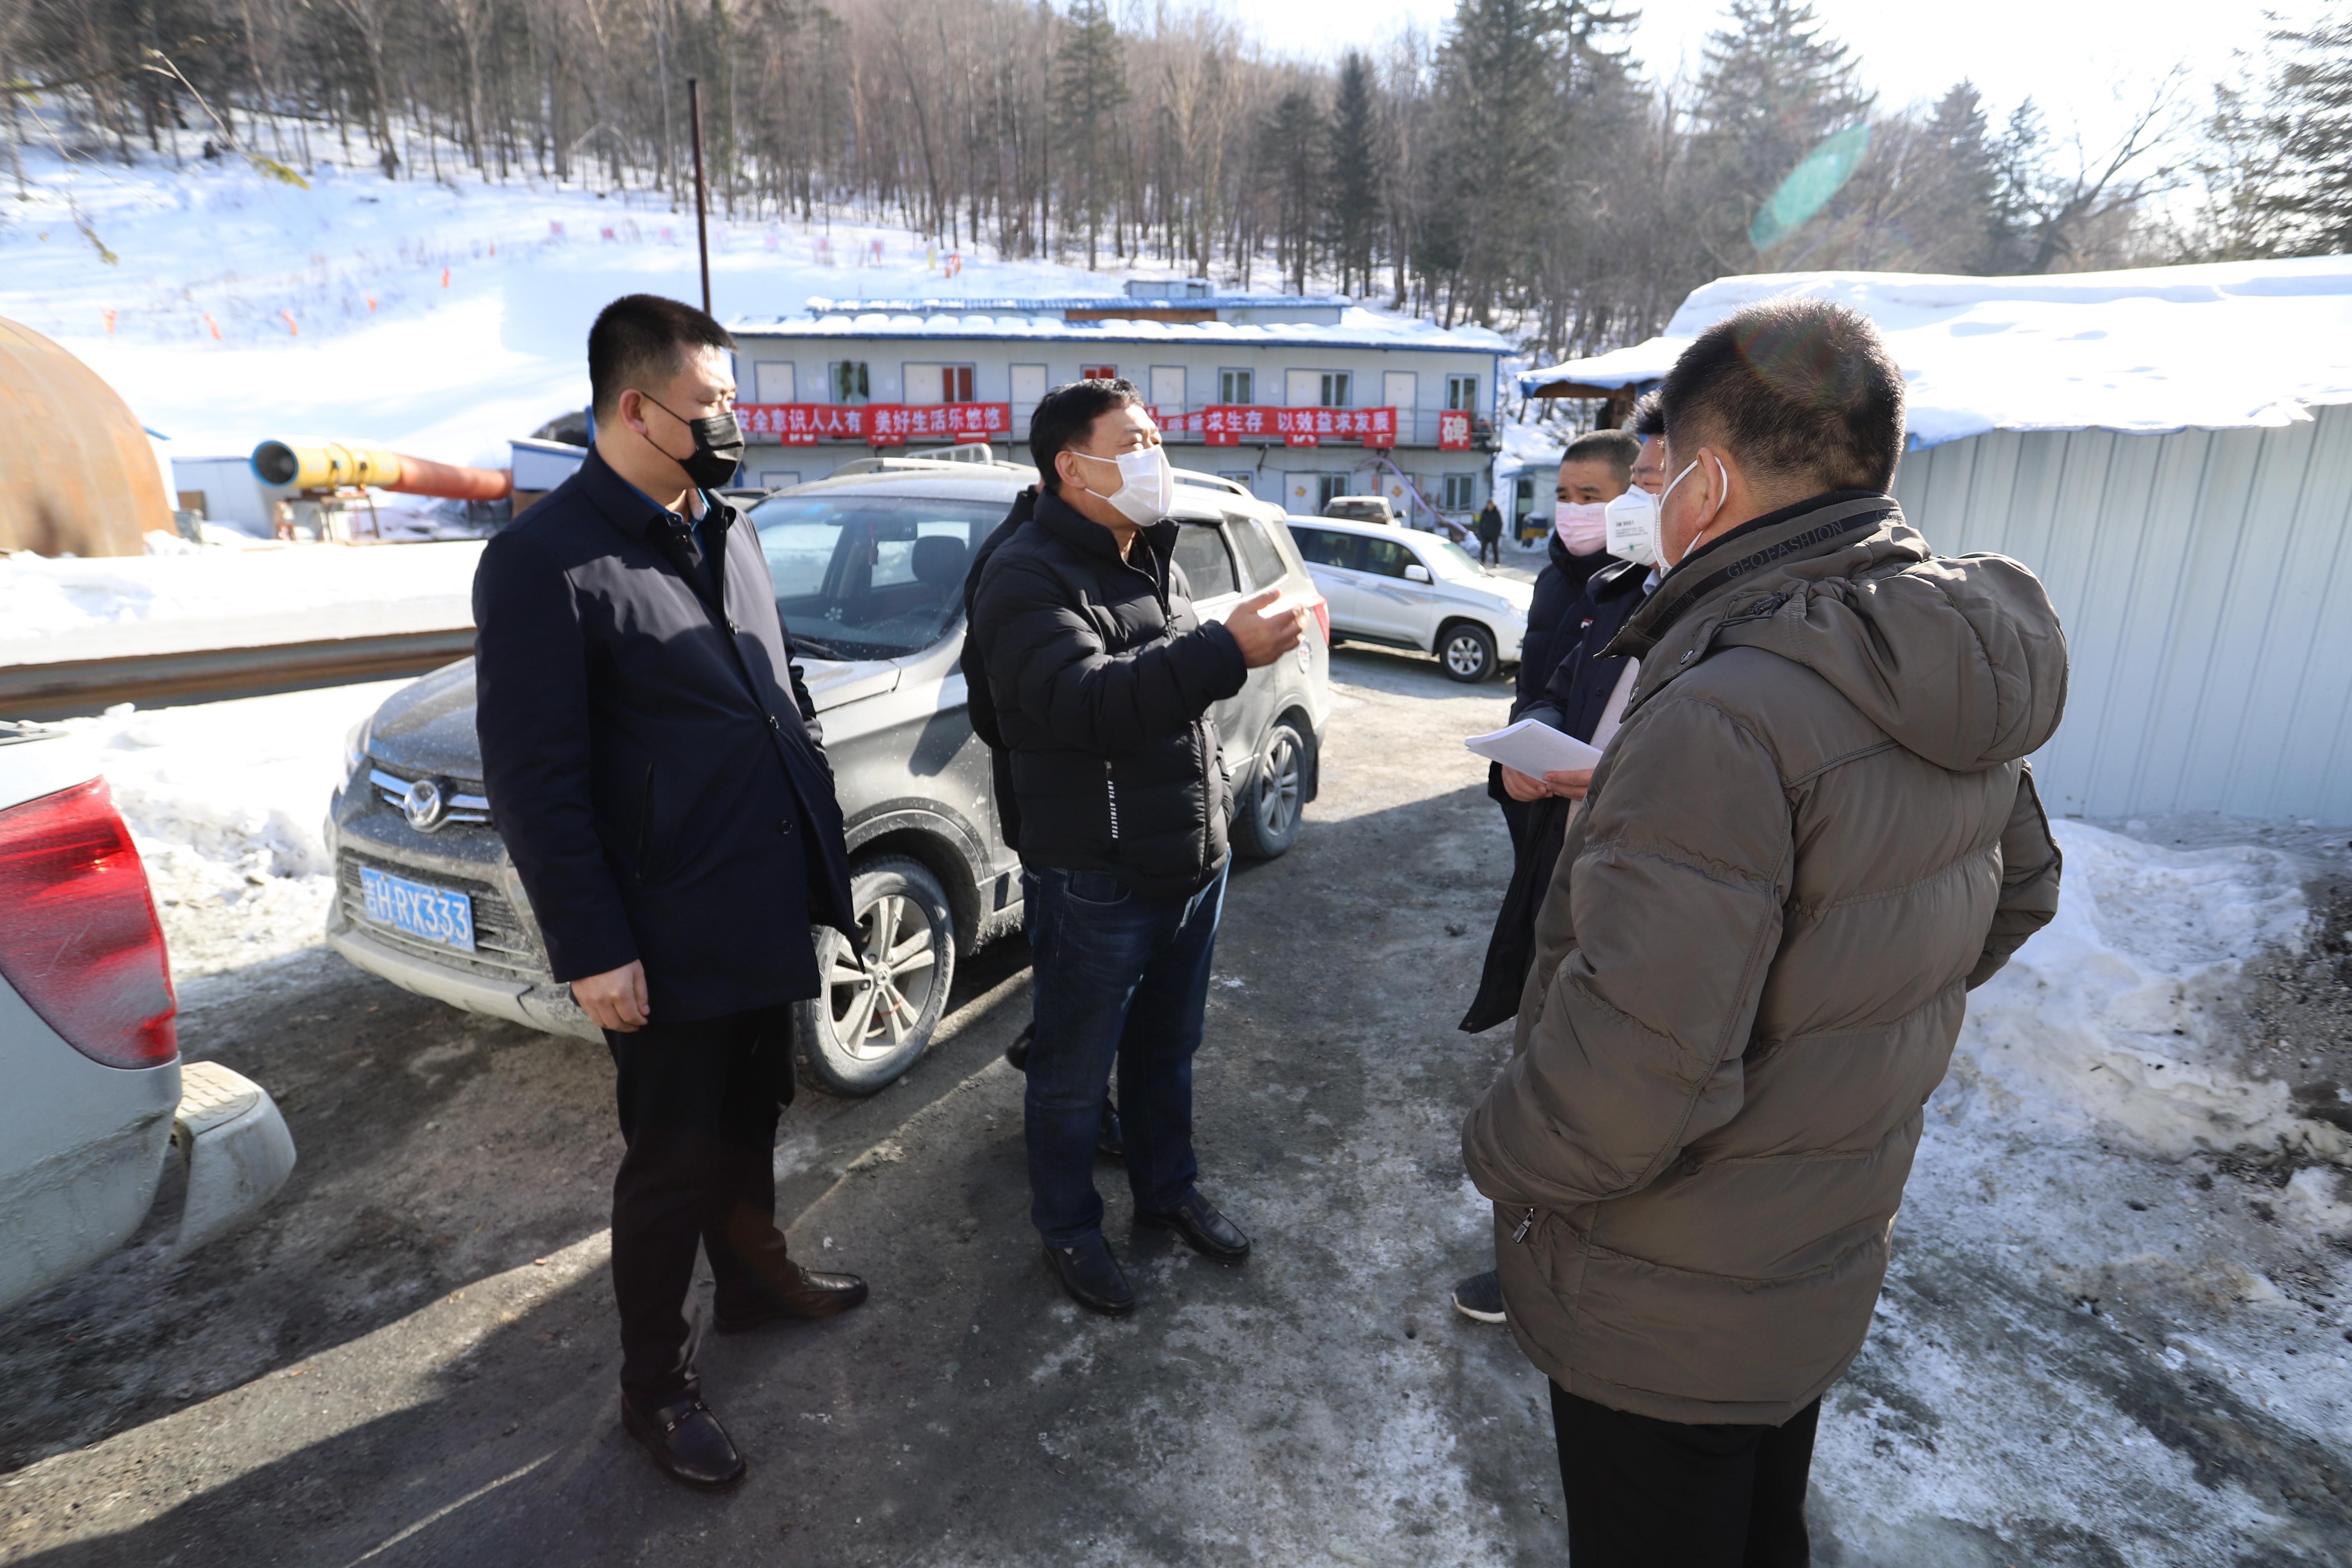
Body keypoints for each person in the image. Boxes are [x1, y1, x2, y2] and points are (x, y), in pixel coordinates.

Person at [1461, 297, 2067, 1566]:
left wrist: (1500, 1148)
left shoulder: (1725, 708)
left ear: (1711, 483)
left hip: (1664, 1288)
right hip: (1812, 1243)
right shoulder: (1925, 652)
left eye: (1653, 471)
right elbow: (2009, 889)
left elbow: (1625, 1084)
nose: (1639, 497)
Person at [473, 294, 869, 1494]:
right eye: (712, 404)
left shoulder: (724, 527)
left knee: (752, 1114)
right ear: (636, 407)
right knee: (669, 1164)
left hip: (754, 900)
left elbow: (771, 692)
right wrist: (592, 945)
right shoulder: (547, 561)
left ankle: (752, 1282)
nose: (731, 420)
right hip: (662, 926)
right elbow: (534, 780)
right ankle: (657, 1385)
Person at [967, 378, 1305, 1315]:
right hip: (1097, 877)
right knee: (1075, 1078)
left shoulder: (1150, 550)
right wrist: (1223, 649)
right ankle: (1068, 1229)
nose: (1157, 454)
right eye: (1136, 439)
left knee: (1167, 1050)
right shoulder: (1024, 572)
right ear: (1071, 467)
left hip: (1189, 860)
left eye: (1157, 435)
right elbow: (1084, 705)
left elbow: (1163, 693)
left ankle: (1168, 1193)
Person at [1450, 397, 1665, 1325]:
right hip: (1560, 843)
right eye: (1568, 496)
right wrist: (1527, 754)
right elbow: (1547, 692)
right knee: (1544, 1058)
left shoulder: (1713, 611)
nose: (1582, 513)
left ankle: (1568, 1269)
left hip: (1639, 893)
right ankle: (1534, 1256)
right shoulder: (1599, 588)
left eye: (1614, 492)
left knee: (1597, 1082)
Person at [1489, 428, 1641, 859]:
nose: (1573, 509)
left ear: (1630, 500)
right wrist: (1508, 761)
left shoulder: (1641, 587)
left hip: (1592, 796)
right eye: (1563, 495)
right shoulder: (1550, 577)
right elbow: (1531, 685)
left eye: (1589, 497)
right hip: (1526, 782)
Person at [1474, 496, 1505, 564]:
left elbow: (1500, 524)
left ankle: (1497, 563)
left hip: (1494, 534)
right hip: (1486, 534)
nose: (1490, 506)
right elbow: (1481, 523)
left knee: (1495, 549)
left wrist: (1498, 533)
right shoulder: (1485, 513)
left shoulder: (1497, 513)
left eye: (1491, 505)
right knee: (1483, 548)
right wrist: (1482, 532)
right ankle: (1483, 561)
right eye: (1489, 505)